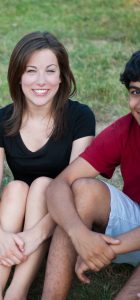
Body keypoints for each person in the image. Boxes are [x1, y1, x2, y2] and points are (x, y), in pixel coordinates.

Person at [0, 31, 95, 300]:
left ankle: (16, 292)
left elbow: (74, 185)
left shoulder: (80, 117)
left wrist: (36, 234)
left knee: (46, 184)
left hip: (62, 216)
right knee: (16, 187)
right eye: (31, 71)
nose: (41, 81)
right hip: (18, 212)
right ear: (18, 75)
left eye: (50, 71)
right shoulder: (0, 121)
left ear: (62, 76)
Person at [41, 50, 140, 300]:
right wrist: (80, 235)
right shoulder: (124, 130)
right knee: (83, 189)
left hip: (127, 242)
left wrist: (102, 249)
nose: (138, 103)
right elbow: (58, 186)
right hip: (134, 224)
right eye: (136, 92)